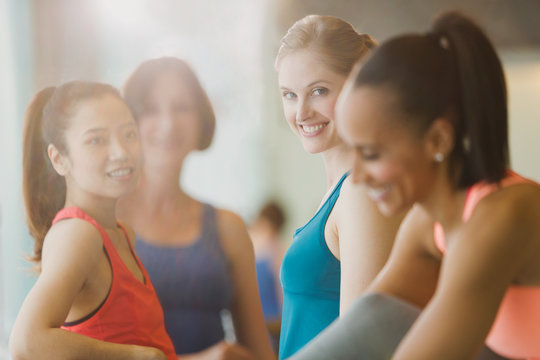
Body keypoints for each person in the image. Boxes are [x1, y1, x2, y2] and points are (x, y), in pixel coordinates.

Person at [290, 11, 540, 360]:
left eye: (372, 153)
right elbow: (358, 336)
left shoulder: (506, 215)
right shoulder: (427, 224)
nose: (357, 177)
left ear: (437, 139)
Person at [118, 57, 275, 360]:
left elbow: (258, 350)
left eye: (182, 107)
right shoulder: (101, 222)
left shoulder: (228, 227)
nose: (168, 123)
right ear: (127, 123)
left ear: (201, 118)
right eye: (150, 109)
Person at [10, 81, 176, 360]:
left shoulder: (120, 234)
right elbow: (26, 342)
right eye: (96, 140)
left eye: (129, 134)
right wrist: (136, 356)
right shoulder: (79, 234)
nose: (121, 151)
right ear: (59, 159)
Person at [275, 15, 405, 359]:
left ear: (358, 86)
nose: (301, 112)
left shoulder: (361, 193)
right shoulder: (338, 193)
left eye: (318, 91)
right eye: (289, 95)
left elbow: (361, 345)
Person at [248, 201, 287, 349]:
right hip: (271, 323)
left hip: (254, 321)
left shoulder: (246, 240)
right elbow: (283, 293)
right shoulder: (276, 248)